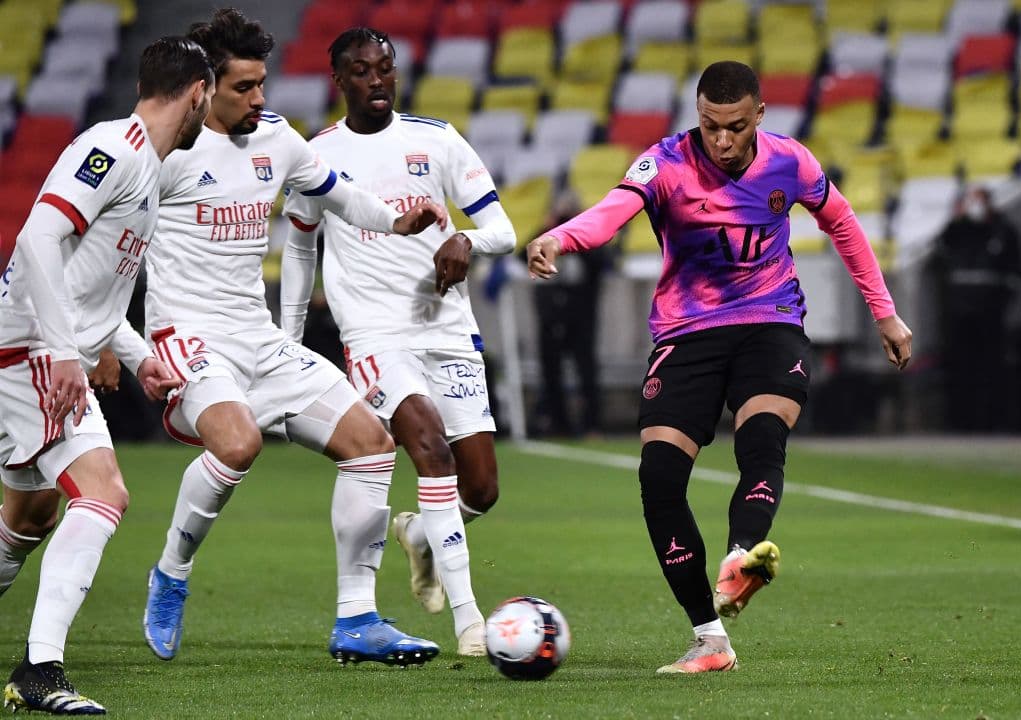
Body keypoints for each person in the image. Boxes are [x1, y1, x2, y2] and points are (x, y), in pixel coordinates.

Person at [526, 61, 913, 674]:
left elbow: (842, 222)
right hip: (688, 332)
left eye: (735, 127)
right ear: (698, 117)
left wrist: (884, 313)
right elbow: (611, 211)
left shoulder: (791, 162)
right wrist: (560, 238)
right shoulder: (665, 163)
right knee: (659, 479)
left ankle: (739, 559)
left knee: (762, 437)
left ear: (759, 116)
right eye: (711, 127)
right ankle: (710, 640)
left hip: (770, 320)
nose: (723, 141)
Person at [140, 10, 447, 667]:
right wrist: (109, 344)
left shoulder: (276, 138)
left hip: (256, 336)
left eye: (262, 84)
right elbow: (107, 250)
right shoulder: (163, 154)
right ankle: (171, 571)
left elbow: (341, 195)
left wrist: (400, 220)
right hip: (185, 336)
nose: (260, 100)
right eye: (244, 88)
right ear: (202, 89)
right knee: (238, 441)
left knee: (370, 444)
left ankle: (356, 619)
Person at [280, 27, 516, 656]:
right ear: (340, 80)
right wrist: (289, 338)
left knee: (483, 490)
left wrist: (467, 240)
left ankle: (420, 537)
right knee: (428, 447)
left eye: (385, 68)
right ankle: (470, 622)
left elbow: (503, 229)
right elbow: (300, 249)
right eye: (361, 71)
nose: (377, 80)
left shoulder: (435, 140)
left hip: (447, 327)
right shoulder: (316, 156)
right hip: (374, 334)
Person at [0, 37, 214, 715]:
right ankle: (38, 673)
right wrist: (67, 351)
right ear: (198, 93)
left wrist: (135, 352)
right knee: (104, 492)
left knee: (29, 517)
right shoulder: (113, 149)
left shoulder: (147, 167)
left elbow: (93, 285)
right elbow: (37, 237)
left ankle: (36, 664)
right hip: (30, 350)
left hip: (47, 348)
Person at [932, 185, 1021, 431]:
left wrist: (1005, 306)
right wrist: (956, 219)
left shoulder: (1003, 231)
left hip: (991, 314)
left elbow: (1013, 273)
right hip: (960, 313)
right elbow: (941, 247)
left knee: (993, 368)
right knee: (961, 369)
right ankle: (961, 422)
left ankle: (995, 422)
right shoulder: (959, 230)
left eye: (978, 200)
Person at [529, 189, 610, 437]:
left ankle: (591, 424)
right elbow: (526, 252)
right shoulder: (544, 235)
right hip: (550, 314)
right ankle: (558, 423)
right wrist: (550, 228)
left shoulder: (589, 240)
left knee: (586, 370)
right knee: (550, 370)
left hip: (581, 315)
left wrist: (575, 235)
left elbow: (603, 260)